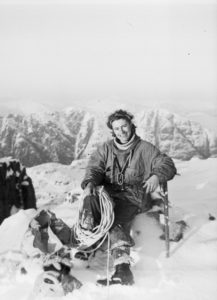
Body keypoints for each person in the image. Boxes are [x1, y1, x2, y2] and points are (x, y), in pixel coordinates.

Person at [80, 109, 177, 286]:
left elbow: (167, 163)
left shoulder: (144, 149)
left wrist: (157, 175)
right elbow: (94, 168)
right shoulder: (106, 149)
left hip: (134, 196)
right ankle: (89, 240)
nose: (121, 131)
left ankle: (123, 269)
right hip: (109, 194)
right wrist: (90, 183)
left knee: (112, 219)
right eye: (117, 128)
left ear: (131, 125)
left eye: (124, 126)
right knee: (92, 202)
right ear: (112, 130)